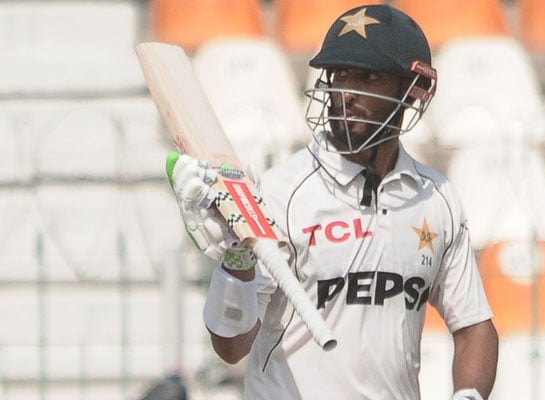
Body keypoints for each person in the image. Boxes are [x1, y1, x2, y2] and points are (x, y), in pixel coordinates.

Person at [166, 4, 498, 399]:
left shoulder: (436, 198)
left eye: (367, 77)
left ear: (413, 91)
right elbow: (231, 346)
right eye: (338, 75)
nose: (345, 93)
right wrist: (237, 261)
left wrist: (469, 396)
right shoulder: (280, 194)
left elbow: (475, 326)